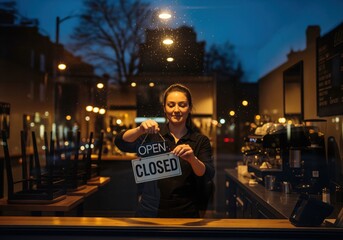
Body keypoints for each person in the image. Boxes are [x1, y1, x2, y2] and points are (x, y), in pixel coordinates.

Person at [115, 83, 215, 218]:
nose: (176, 109)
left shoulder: (200, 140)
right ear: (164, 108)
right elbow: (121, 142)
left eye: (182, 105)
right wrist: (140, 130)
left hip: (185, 212)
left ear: (190, 108)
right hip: (150, 210)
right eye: (171, 105)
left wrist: (192, 159)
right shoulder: (152, 134)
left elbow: (207, 174)